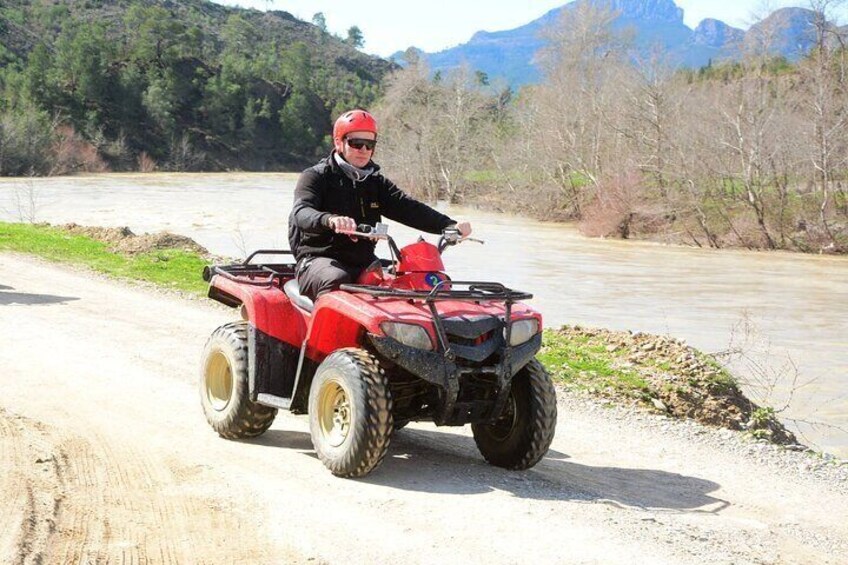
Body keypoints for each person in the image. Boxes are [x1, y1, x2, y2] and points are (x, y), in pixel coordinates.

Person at [288, 109, 472, 299]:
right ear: (338, 142)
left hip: (364, 262)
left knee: (410, 279)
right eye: (356, 143)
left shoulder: (376, 183)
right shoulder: (315, 176)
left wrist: (448, 225)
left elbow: (408, 208)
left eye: (369, 144)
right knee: (336, 279)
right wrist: (329, 220)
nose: (364, 150)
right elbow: (301, 212)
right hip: (318, 260)